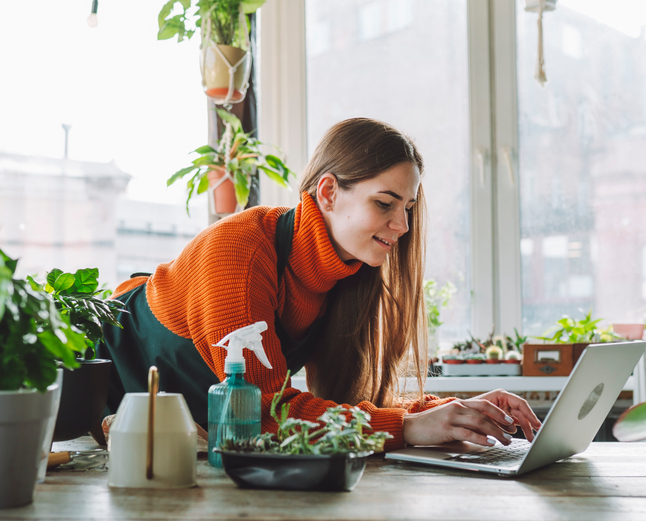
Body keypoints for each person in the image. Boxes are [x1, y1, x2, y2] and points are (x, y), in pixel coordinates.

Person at [99, 118, 541, 451]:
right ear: (328, 193)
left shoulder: (349, 272)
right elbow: (265, 413)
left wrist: (455, 413)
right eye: (385, 203)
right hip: (99, 387)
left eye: (407, 207)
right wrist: (408, 428)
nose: (403, 225)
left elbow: (354, 405)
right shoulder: (239, 250)